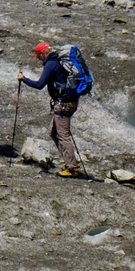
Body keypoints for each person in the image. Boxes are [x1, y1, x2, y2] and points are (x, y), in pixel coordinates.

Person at [18, 42, 84, 177]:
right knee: (53, 131)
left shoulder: (50, 64)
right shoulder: (58, 61)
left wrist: (23, 79)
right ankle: (71, 160)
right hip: (69, 102)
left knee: (63, 135)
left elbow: (39, 84)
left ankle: (72, 167)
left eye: (38, 56)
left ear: (43, 53)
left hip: (63, 104)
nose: (38, 59)